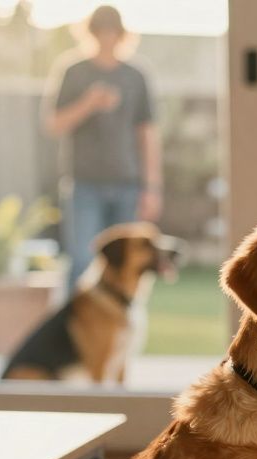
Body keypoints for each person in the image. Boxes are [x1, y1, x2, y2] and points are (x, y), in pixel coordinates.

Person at [44, 4, 161, 293]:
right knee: (82, 261)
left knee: (127, 267)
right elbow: (54, 124)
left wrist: (152, 187)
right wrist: (89, 103)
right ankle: (72, 333)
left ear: (121, 34)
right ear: (90, 32)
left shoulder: (136, 76)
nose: (106, 38)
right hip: (84, 184)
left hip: (128, 185)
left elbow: (147, 134)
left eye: (112, 32)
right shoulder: (74, 72)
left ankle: (119, 334)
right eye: (100, 31)